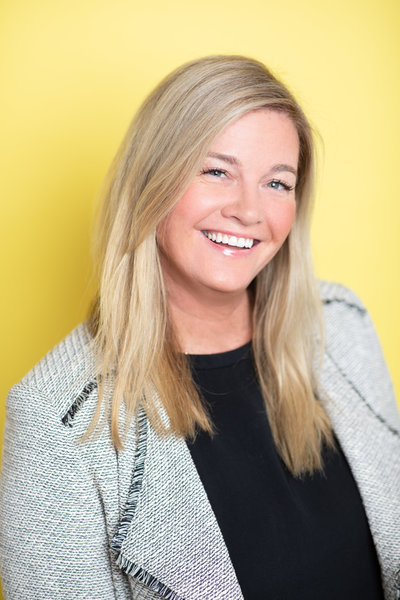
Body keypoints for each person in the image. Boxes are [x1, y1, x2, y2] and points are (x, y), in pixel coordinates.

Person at [0, 55, 399, 600]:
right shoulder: (57, 421)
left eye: (277, 183)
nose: (249, 211)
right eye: (216, 172)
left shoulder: (344, 327)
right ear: (151, 182)